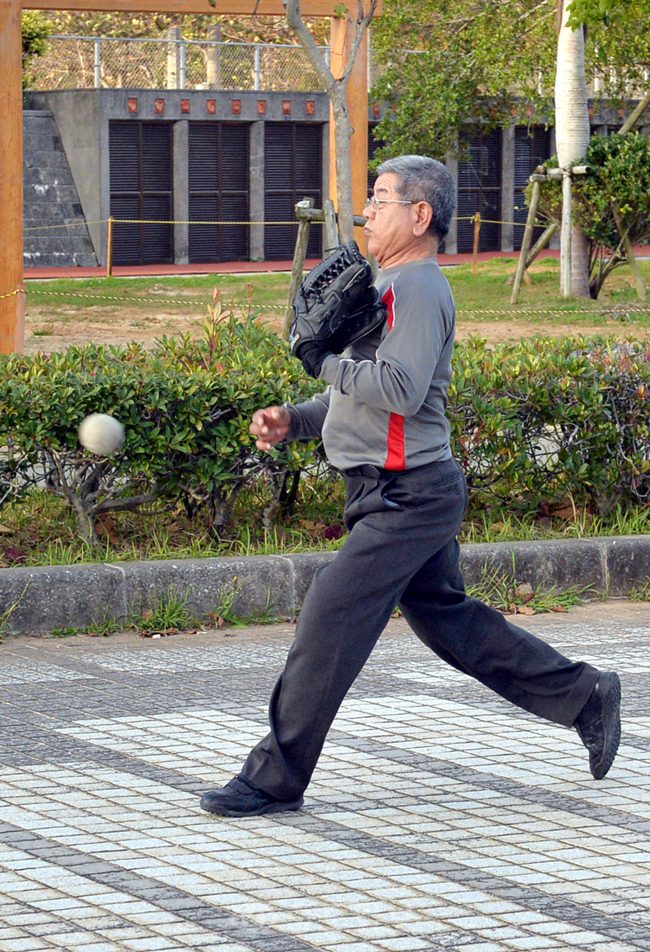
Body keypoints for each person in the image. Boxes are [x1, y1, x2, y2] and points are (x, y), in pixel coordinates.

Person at [200, 155, 621, 818]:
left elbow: (397, 390)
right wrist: (295, 418)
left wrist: (325, 360)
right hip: (394, 489)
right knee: (451, 625)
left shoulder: (418, 289)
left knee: (328, 617)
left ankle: (273, 777)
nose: (369, 209)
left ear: (420, 215)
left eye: (383, 197)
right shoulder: (382, 285)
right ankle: (583, 695)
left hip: (408, 495)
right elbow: (357, 398)